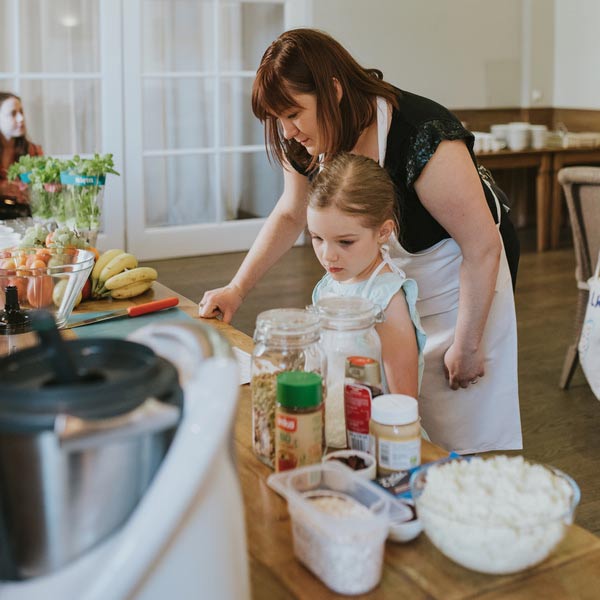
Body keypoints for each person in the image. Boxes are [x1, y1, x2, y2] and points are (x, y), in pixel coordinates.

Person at [199, 28, 522, 454]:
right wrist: (236, 288)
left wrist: (468, 344)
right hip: (387, 286)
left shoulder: (422, 134)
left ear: (333, 91)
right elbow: (291, 211)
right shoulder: (304, 141)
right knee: (391, 422)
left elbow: (482, 247)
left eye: (294, 113)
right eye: (278, 118)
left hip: (458, 284)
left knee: (458, 439)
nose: (288, 130)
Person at [308, 152, 426, 399]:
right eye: (317, 238)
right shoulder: (329, 285)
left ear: (383, 232)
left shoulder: (386, 302)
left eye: (345, 242)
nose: (328, 255)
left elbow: (403, 400)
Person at [0, 92, 43, 203]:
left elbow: (42, 189)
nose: (21, 118)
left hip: (24, 215)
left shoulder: (34, 151)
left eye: (21, 112)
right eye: (13, 113)